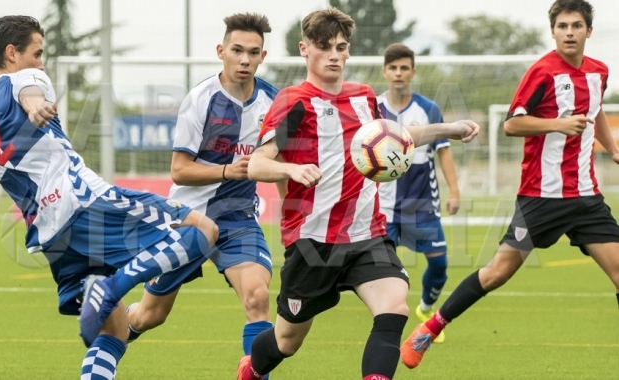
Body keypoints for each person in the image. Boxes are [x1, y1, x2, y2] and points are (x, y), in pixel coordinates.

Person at [0, 15, 218, 380]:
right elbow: (29, 92)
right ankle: (111, 286)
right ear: (12, 53)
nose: (41, 62)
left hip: (51, 237)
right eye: (37, 53)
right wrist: (33, 106)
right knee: (203, 229)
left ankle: (104, 295)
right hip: (83, 202)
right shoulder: (25, 77)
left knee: (116, 328)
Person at [235, 7, 479, 380]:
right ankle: (252, 368)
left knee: (394, 307)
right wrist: (290, 168)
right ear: (304, 49)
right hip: (312, 240)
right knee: (286, 341)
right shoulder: (294, 102)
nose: (334, 55)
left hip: (368, 233)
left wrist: (450, 128)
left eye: (341, 47)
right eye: (324, 46)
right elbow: (256, 164)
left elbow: (398, 134)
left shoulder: (363, 97)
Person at [400, 0, 619, 370]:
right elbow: (512, 125)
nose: (569, 32)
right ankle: (431, 327)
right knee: (497, 272)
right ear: (552, 31)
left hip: (586, 198)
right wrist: (557, 124)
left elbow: (595, 111)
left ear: (588, 31)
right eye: (562, 26)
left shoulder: (600, 72)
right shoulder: (542, 73)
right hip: (540, 197)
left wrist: (613, 148)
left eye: (576, 25)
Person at [124, 13, 277, 376]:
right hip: (187, 218)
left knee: (257, 297)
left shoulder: (273, 101)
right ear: (221, 51)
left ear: (262, 56)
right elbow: (179, 170)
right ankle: (109, 333)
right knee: (150, 316)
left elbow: (278, 161)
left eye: (253, 53)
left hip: (238, 218)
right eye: (237, 50)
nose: (244, 59)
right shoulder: (201, 99)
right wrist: (227, 170)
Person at [377, 43, 462, 344]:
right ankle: (387, 323)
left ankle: (426, 309)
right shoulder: (373, 107)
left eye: (404, 68)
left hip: (422, 205)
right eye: (393, 68)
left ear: (413, 71)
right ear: (385, 72)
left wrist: (454, 190)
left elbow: (444, 153)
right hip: (382, 208)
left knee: (439, 265)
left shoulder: (428, 109)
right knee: (380, 271)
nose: (398, 73)